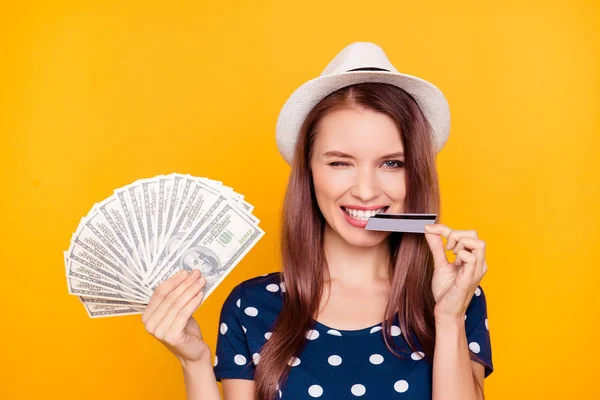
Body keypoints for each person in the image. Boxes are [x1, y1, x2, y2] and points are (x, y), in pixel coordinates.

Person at [142, 42, 494, 400]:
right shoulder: (251, 305)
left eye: (391, 163)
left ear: (415, 174)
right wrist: (196, 362)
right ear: (308, 172)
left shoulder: (454, 298)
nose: (366, 191)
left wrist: (449, 317)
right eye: (340, 162)